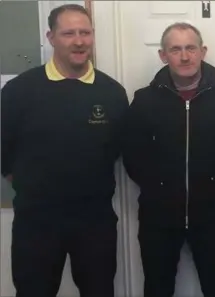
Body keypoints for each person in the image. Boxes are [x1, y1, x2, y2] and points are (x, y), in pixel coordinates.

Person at [0, 4, 129, 297]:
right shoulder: (20, 90)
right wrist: (28, 183)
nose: (79, 41)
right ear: (51, 36)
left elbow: (119, 148)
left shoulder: (112, 93)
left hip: (94, 221)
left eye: (85, 32)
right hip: (37, 221)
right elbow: (2, 148)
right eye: (69, 33)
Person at [120, 22, 215, 297]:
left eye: (190, 48)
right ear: (163, 55)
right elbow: (132, 154)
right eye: (175, 49)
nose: (184, 56)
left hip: (212, 216)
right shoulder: (144, 100)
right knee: (157, 288)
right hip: (158, 217)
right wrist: (158, 187)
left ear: (202, 51)